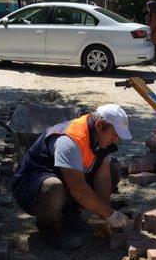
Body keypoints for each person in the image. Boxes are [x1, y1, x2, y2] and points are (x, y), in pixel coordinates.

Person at [12, 104, 133, 250]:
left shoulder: (100, 137)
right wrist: (112, 215)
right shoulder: (70, 140)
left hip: (66, 179)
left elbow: (103, 178)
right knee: (53, 187)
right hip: (31, 187)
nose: (116, 140)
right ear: (100, 125)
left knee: (113, 169)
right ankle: (50, 230)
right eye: (115, 134)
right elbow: (78, 189)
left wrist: (104, 215)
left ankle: (70, 214)